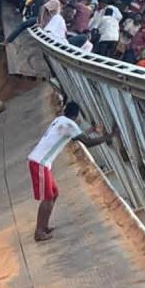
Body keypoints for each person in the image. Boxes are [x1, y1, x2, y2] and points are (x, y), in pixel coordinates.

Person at [28, 101, 116, 241]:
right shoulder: (70, 124)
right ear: (76, 115)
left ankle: (43, 227)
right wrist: (108, 137)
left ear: (65, 110)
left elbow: (75, 136)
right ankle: (39, 232)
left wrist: (91, 130)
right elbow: (87, 142)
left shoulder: (60, 120)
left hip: (39, 161)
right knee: (48, 197)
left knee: (54, 193)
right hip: (40, 163)